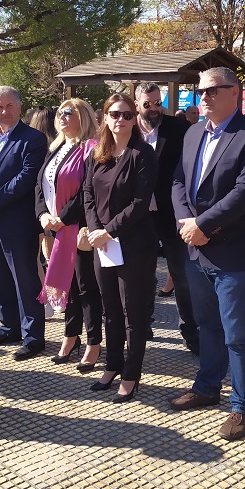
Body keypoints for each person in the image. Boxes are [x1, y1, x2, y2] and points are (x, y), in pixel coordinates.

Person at [170, 67, 245, 441]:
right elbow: (179, 180)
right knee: (207, 326)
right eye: (201, 91)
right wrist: (186, 221)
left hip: (234, 252)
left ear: (236, 93)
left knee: (238, 335)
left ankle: (244, 407)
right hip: (196, 249)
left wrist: (203, 224)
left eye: (213, 90)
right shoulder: (193, 132)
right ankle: (207, 387)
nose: (205, 97)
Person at [83, 93, 157, 402]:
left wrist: (108, 231)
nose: (121, 120)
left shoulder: (142, 154)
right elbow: (87, 194)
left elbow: (140, 203)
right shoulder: (98, 152)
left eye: (127, 114)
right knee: (110, 309)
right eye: (115, 114)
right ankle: (112, 364)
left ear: (134, 117)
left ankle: (131, 373)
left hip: (133, 244)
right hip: (103, 244)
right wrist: (95, 230)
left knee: (132, 313)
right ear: (105, 117)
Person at [0, 86, 47, 361]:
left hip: (18, 223)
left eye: (9, 106)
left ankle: (33, 337)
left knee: (25, 281)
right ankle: (9, 328)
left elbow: (27, 176)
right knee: (0, 280)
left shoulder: (33, 139)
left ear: (19, 107)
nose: (4, 111)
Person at [36, 99, 103, 371]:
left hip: (79, 229)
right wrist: (43, 215)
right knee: (69, 287)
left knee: (86, 288)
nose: (62, 117)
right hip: (56, 228)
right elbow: (40, 186)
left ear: (83, 117)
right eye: (60, 113)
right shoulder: (56, 148)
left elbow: (88, 189)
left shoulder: (91, 148)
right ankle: (70, 336)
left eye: (69, 113)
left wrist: (62, 218)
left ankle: (94, 342)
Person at [134, 82, 198, 353]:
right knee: (141, 275)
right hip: (137, 216)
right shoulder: (126, 128)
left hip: (172, 214)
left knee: (182, 274)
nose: (154, 109)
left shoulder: (179, 128)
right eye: (147, 104)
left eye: (158, 103)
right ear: (136, 104)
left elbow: (187, 170)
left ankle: (191, 332)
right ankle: (141, 325)